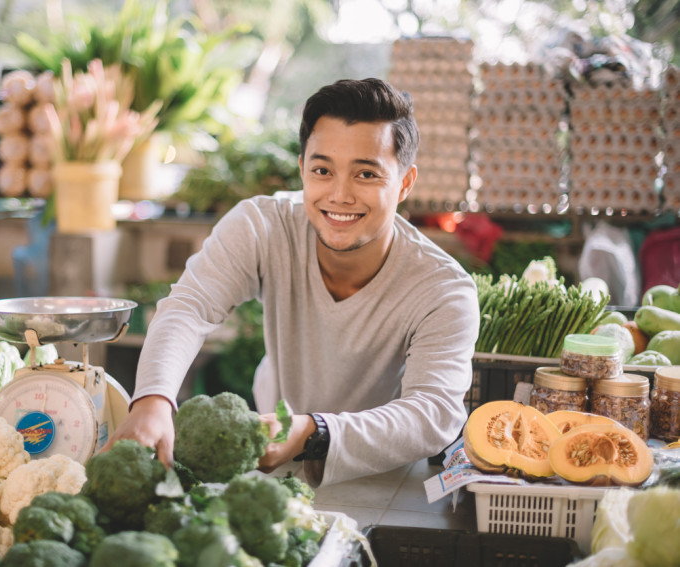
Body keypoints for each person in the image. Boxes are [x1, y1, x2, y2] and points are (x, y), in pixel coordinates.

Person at [109, 78, 480, 487]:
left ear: (405, 183)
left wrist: (313, 433)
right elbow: (190, 306)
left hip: (382, 476)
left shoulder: (443, 290)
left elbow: (433, 411)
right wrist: (153, 397)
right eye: (322, 170)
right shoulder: (261, 225)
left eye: (366, 174)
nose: (339, 195)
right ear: (302, 168)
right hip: (273, 468)